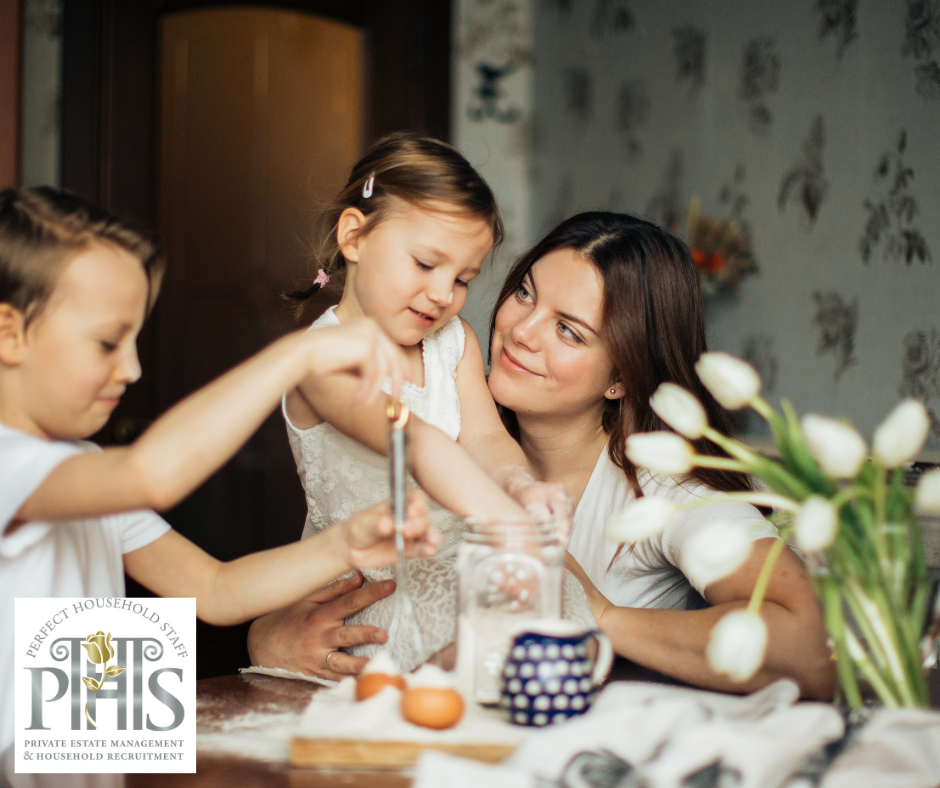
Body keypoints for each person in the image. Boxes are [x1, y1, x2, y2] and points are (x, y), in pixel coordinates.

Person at [253, 211, 835, 700]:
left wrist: (599, 615)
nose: (521, 331)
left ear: (622, 378)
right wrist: (271, 636)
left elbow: (809, 651)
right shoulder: (437, 423)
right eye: (525, 293)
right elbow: (316, 585)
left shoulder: (662, 489)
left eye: (570, 331)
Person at [0, 187, 439, 750]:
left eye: (133, 341)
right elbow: (151, 474)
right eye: (108, 343)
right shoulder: (14, 466)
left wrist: (349, 543)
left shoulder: (83, 468)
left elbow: (214, 589)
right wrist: (295, 356)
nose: (131, 368)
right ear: (11, 334)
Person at [253, 132, 587, 676]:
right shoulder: (320, 358)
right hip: (364, 588)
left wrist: (520, 486)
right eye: (425, 264)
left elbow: (483, 439)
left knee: (550, 611)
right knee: (461, 643)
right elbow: (412, 441)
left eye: (462, 279)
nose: (442, 294)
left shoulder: (453, 341)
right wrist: (503, 518)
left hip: (454, 561)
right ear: (355, 236)